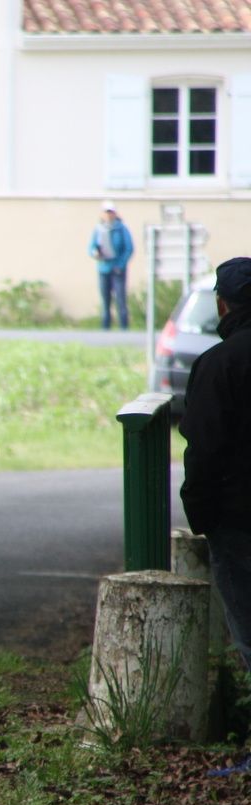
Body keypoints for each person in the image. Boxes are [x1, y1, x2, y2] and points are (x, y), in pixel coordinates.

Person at [180, 256, 251, 670]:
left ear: (222, 304)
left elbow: (203, 447)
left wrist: (201, 513)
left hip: (237, 518)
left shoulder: (218, 363)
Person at [88, 200, 134, 331]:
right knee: (105, 300)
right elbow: (91, 247)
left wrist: (120, 264)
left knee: (120, 299)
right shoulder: (98, 229)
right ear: (102, 214)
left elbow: (129, 248)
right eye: (106, 212)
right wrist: (95, 253)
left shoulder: (121, 229)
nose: (109, 215)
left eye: (111, 212)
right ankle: (105, 328)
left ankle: (124, 328)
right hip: (104, 268)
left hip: (118, 269)